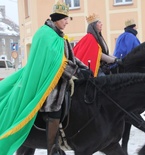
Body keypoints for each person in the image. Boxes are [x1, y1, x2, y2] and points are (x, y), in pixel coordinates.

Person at [0, 1, 88, 155]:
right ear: (57, 18)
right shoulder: (45, 34)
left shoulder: (59, 35)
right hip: (47, 82)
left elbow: (70, 57)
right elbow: (52, 64)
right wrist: (73, 72)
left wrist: (83, 69)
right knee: (54, 108)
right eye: (65, 18)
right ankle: (52, 148)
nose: (67, 22)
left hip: (61, 80)